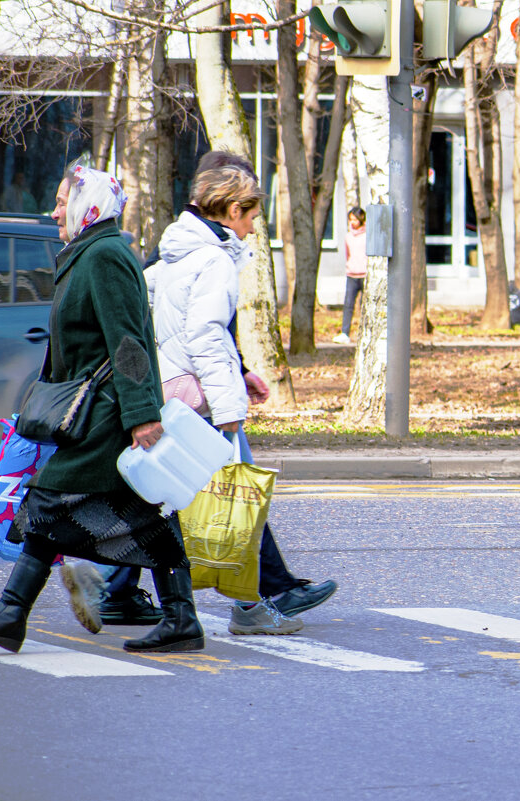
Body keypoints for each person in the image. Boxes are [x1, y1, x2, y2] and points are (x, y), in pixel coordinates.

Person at [0, 164, 204, 654]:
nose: (52, 211)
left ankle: (12, 614)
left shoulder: (106, 256)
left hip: (110, 415)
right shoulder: (87, 253)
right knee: (149, 514)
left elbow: (130, 341)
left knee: (50, 498)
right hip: (96, 412)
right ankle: (181, 619)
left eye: (60, 201)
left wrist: (142, 416)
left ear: (86, 204)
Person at [144, 156, 336, 635]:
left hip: (178, 390)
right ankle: (253, 605)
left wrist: (241, 372)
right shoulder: (212, 259)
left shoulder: (175, 251)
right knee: (232, 502)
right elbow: (207, 334)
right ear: (230, 210)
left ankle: (117, 584)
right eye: (250, 216)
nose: (252, 228)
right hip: (203, 400)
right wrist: (229, 410)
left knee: (186, 502)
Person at [332, 206, 366, 345]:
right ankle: (345, 332)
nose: (352, 222)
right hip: (352, 274)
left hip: (365, 274)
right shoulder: (348, 237)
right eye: (350, 219)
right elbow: (348, 255)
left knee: (364, 305)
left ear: (361, 219)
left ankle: (364, 332)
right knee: (348, 305)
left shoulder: (367, 235)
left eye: (354, 219)